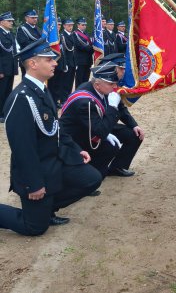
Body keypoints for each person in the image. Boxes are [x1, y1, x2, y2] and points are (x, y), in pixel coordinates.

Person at [0, 38, 102, 236]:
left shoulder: (41, 88)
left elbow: (56, 128)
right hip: (36, 169)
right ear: (33, 63)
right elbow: (23, 148)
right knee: (35, 227)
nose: (55, 62)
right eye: (49, 59)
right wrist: (34, 184)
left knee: (91, 179)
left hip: (55, 160)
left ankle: (48, 208)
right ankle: (41, 211)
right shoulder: (22, 99)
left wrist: (75, 149)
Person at [59, 63, 145, 178]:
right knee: (110, 147)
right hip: (77, 135)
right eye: (111, 84)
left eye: (115, 83)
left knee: (133, 134)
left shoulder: (103, 89)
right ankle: (91, 176)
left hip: (95, 125)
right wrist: (112, 107)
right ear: (97, 84)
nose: (115, 87)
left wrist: (134, 125)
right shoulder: (85, 102)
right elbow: (100, 131)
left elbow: (120, 109)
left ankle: (117, 167)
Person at [0, 12, 18, 121]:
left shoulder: (10, 34)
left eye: (12, 21)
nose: (11, 22)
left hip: (10, 68)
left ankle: (5, 111)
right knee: (1, 92)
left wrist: (14, 68)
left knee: (8, 91)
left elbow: (13, 52)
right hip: (3, 69)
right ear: (1, 22)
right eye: (9, 21)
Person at [16, 9, 41, 78]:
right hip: (27, 58)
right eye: (32, 18)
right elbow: (23, 43)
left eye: (36, 17)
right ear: (26, 18)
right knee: (28, 79)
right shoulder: (22, 29)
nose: (35, 19)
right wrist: (38, 44)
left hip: (38, 58)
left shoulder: (38, 29)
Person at [47, 17, 66, 108]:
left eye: (59, 25)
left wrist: (64, 64)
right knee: (51, 85)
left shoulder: (60, 35)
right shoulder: (50, 36)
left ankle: (56, 100)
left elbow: (63, 52)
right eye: (57, 25)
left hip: (60, 64)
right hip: (52, 63)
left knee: (58, 85)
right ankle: (51, 102)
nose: (58, 26)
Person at [74, 17, 93, 87]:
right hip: (80, 60)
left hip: (88, 60)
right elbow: (79, 46)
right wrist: (91, 49)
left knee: (86, 79)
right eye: (82, 25)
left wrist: (92, 48)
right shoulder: (75, 34)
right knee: (79, 79)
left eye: (85, 25)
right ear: (78, 25)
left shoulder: (87, 34)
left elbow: (91, 44)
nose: (84, 26)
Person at [60, 18, 76, 103]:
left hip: (73, 62)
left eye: (71, 25)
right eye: (69, 25)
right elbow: (63, 52)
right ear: (64, 26)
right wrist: (65, 63)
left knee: (70, 82)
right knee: (65, 82)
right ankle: (63, 100)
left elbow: (74, 50)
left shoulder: (73, 35)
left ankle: (68, 98)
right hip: (66, 62)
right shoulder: (62, 36)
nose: (70, 27)